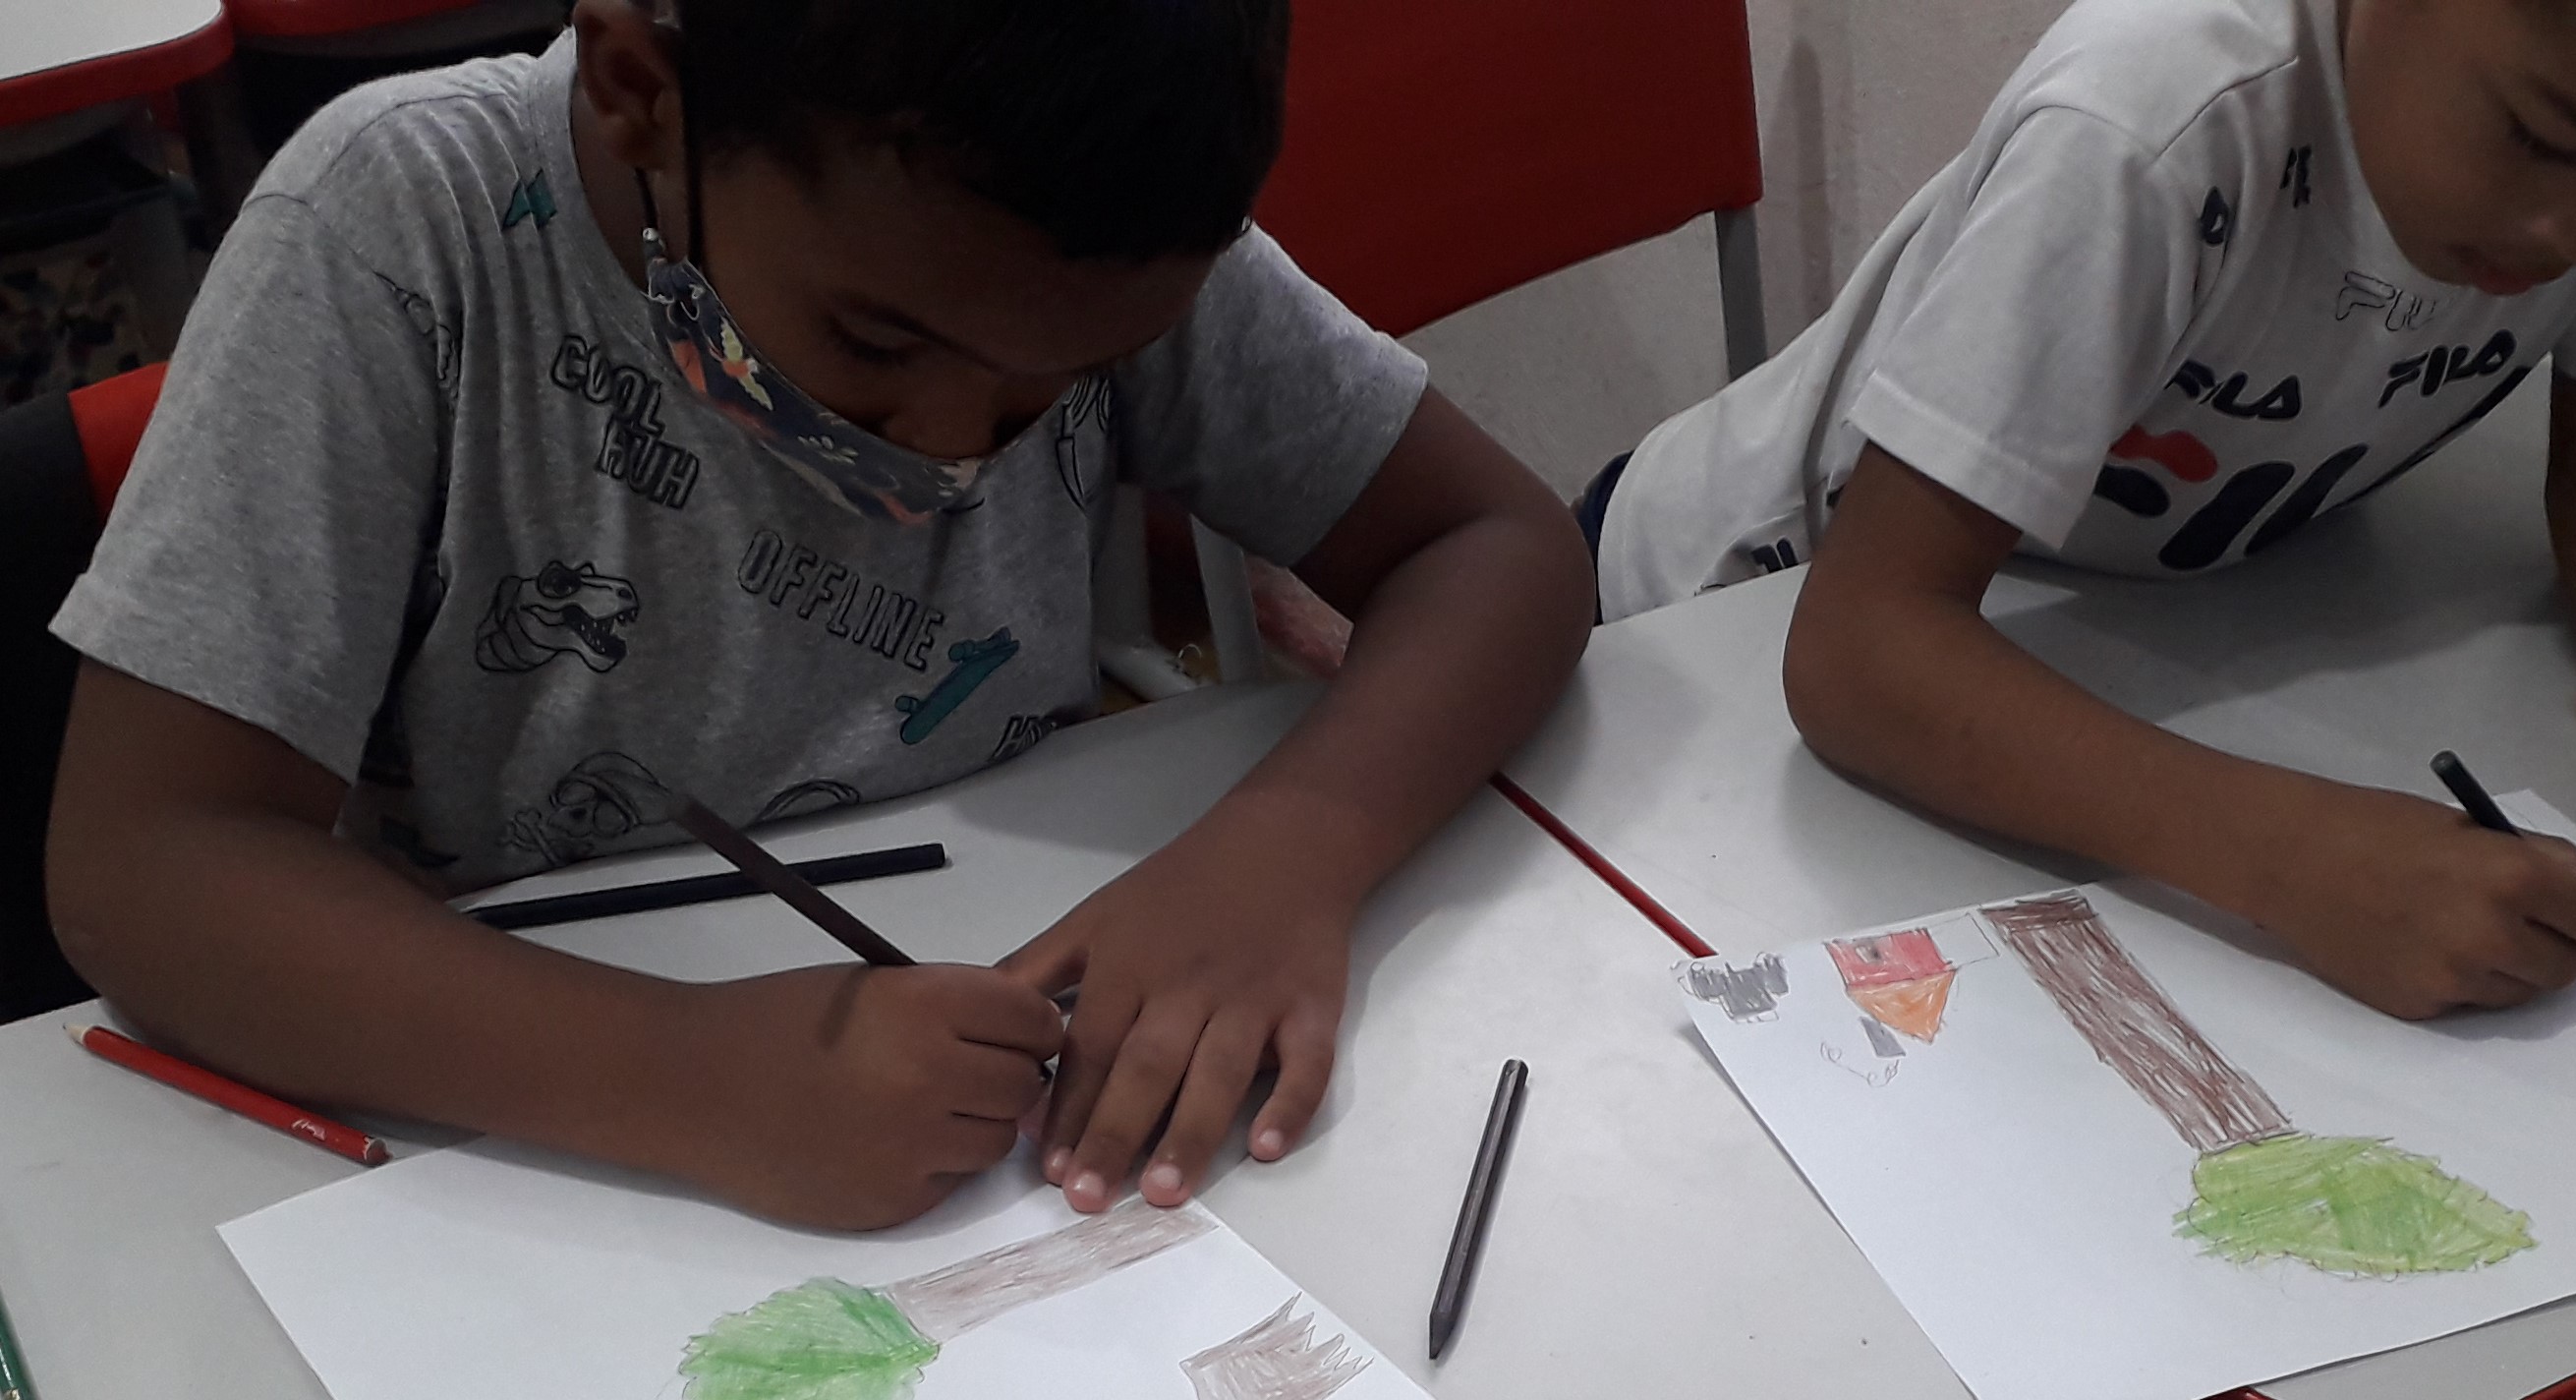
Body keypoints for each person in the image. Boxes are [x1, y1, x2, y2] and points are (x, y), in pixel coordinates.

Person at [45, 0, 1595, 1228]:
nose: (953, 447)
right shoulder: (403, 226)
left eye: (1055, 389)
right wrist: (687, 1077)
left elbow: (1498, 545)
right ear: (640, 92)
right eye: (876, 345)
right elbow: (150, 869)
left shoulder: (1080, 216)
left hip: (970, 1034)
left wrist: (1285, 855)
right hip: (513, 1105)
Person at [1586, 0, 2576, 1057]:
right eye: (2548, 140)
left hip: (2110, 624)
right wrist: (2288, 861)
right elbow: (1859, 656)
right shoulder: (2153, 120)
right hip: (1698, 642)